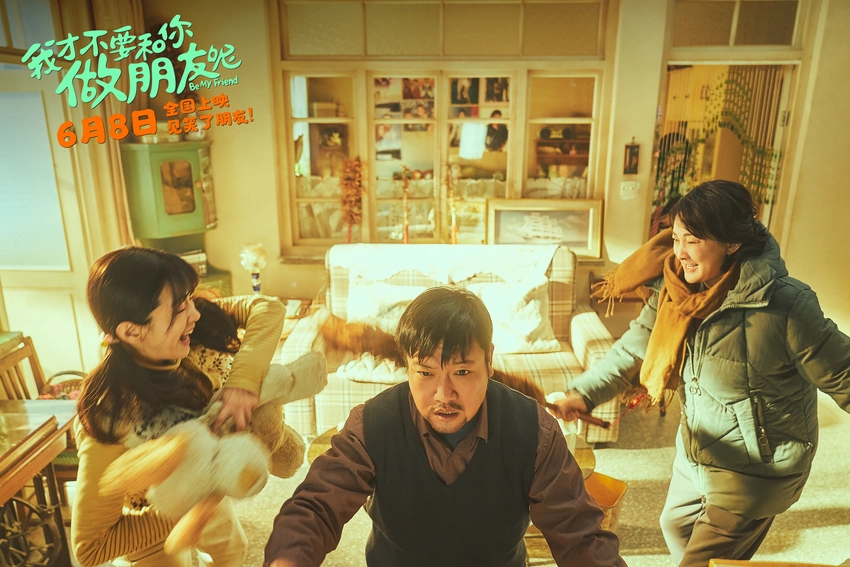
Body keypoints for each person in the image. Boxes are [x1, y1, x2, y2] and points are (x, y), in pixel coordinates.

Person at [550, 180, 850, 567]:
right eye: (676, 238)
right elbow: (634, 348)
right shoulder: (675, 289)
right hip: (697, 450)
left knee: (701, 562)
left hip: (755, 469)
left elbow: (844, 373)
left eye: (692, 241)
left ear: (732, 242)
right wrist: (583, 394)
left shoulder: (785, 304)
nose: (680, 252)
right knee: (675, 524)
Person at [264, 287, 626, 567]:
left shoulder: (534, 432)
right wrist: (288, 558)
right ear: (407, 366)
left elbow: (580, 536)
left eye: (462, 372)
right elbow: (316, 507)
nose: (443, 394)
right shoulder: (371, 425)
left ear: (489, 360)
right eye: (425, 373)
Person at [72, 247, 289, 567]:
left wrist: (242, 382)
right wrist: (191, 498)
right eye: (178, 308)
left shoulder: (187, 328)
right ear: (131, 331)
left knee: (232, 551)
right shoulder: (112, 413)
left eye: (188, 299)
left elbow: (268, 308)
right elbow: (90, 548)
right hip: (152, 516)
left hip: (206, 475)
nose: (194, 314)